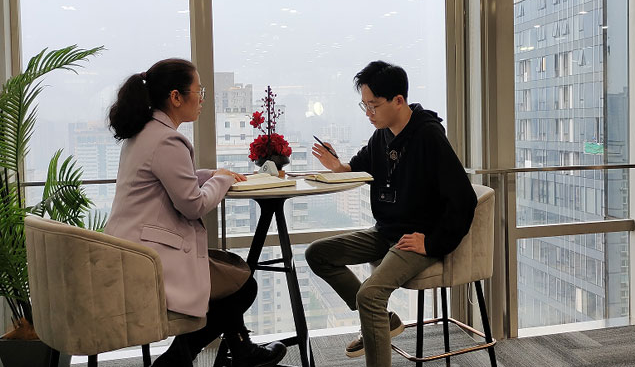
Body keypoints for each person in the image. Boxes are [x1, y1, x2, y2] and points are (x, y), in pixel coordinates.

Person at [105, 58, 287, 367]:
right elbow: (194, 205)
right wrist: (222, 180)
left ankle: (240, 351)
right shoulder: (168, 140)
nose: (202, 99)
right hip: (151, 261)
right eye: (199, 91)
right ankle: (177, 360)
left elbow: (169, 177)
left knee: (231, 272)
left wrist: (211, 174)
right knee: (243, 285)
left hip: (133, 253)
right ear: (176, 97)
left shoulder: (145, 132)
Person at [305, 61, 476, 367]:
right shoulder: (381, 136)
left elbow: (464, 198)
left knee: (369, 295)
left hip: (415, 238)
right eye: (364, 106)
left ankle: (375, 318)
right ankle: (383, 320)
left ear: (398, 100)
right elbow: (356, 167)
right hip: (385, 232)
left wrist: (431, 243)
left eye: (373, 105)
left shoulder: (428, 136)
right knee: (317, 254)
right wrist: (337, 167)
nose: (368, 113)